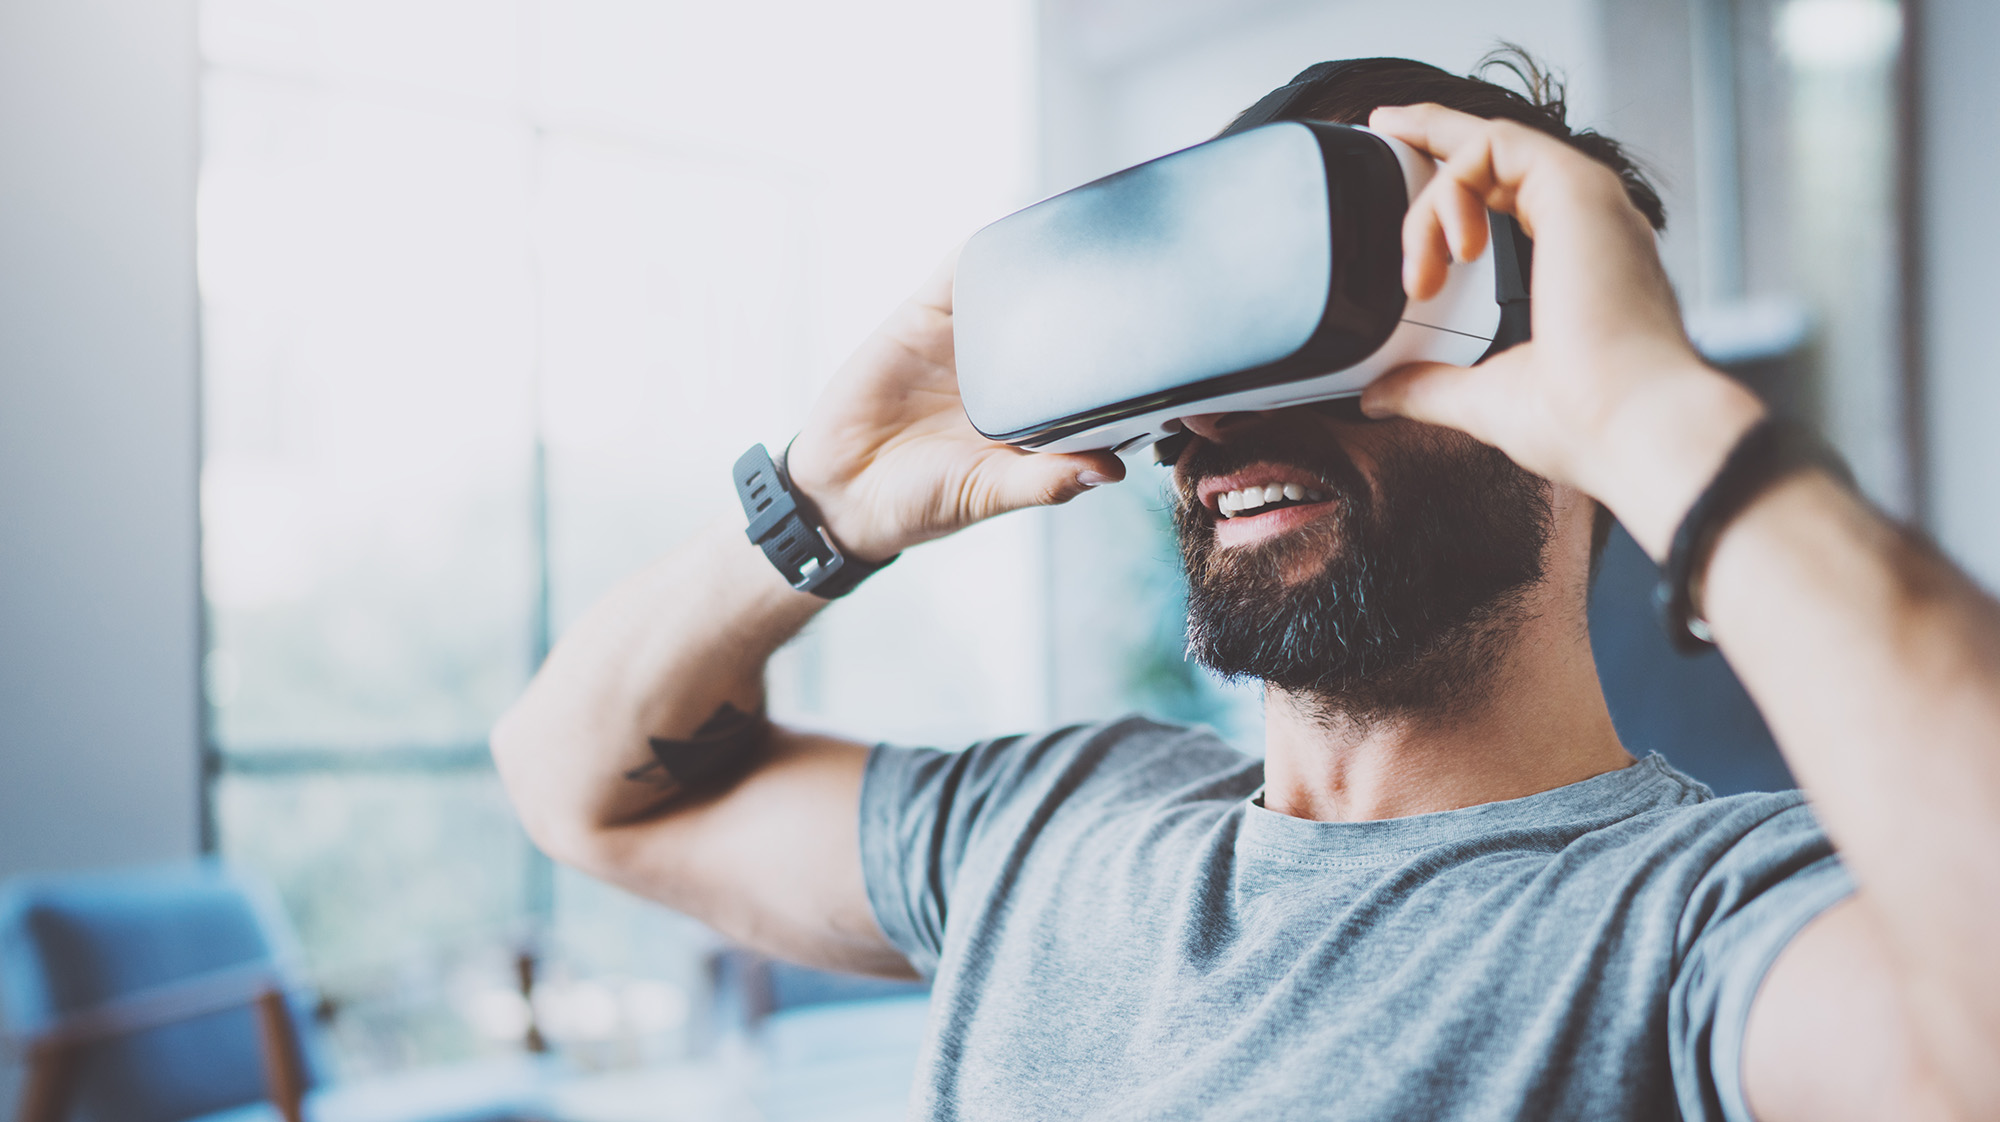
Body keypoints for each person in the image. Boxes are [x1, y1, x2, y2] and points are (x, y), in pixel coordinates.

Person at [491, 55, 2000, 1122]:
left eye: (1331, 330)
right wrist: (815, 506)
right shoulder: (1049, 823)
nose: (1213, 422)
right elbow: (581, 788)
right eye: (1205, 351)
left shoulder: (1701, 922)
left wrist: (1656, 419)